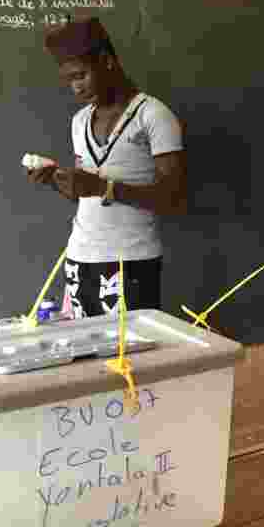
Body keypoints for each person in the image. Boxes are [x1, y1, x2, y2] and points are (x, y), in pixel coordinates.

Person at [28, 17, 188, 318]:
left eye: (81, 76)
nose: (75, 88)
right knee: (85, 357)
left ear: (107, 60)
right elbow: (85, 196)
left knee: (128, 358)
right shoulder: (79, 122)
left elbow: (174, 198)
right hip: (79, 257)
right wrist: (56, 180)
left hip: (131, 262)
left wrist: (103, 187)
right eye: (69, 81)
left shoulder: (153, 115)